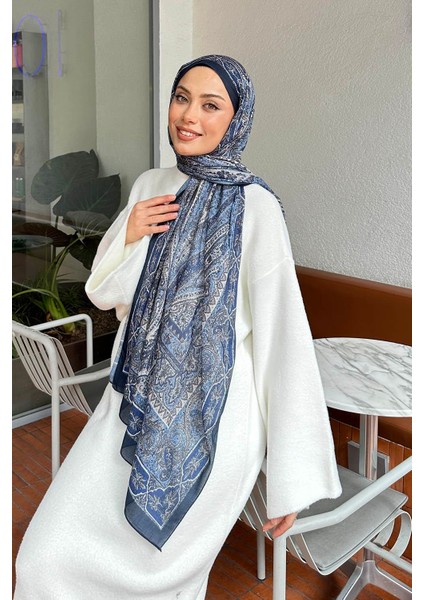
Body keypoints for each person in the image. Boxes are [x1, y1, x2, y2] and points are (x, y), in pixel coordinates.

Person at [14, 54, 342, 599]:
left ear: (236, 119)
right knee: (45, 559)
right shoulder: (152, 184)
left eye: (211, 105)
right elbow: (106, 294)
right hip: (132, 401)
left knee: (165, 580)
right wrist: (129, 234)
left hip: (216, 423)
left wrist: (292, 477)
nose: (189, 116)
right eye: (182, 98)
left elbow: (283, 340)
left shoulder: (256, 208)